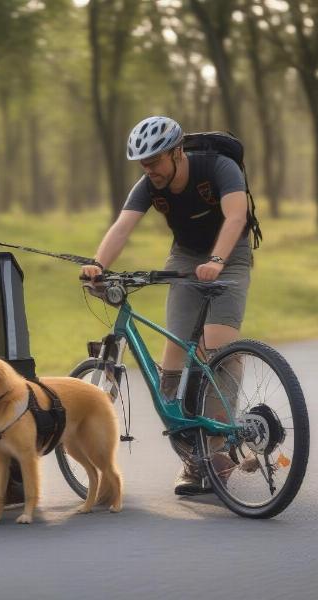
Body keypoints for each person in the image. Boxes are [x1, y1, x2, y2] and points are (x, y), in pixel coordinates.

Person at [81, 116, 253, 496]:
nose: (149, 170)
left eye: (155, 160)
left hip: (231, 253)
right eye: (143, 163)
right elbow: (122, 227)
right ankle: (192, 454)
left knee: (217, 346)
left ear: (177, 152)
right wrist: (98, 264)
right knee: (173, 349)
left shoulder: (216, 167)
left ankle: (218, 455)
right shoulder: (148, 184)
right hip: (186, 255)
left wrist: (219, 261)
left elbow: (236, 217)